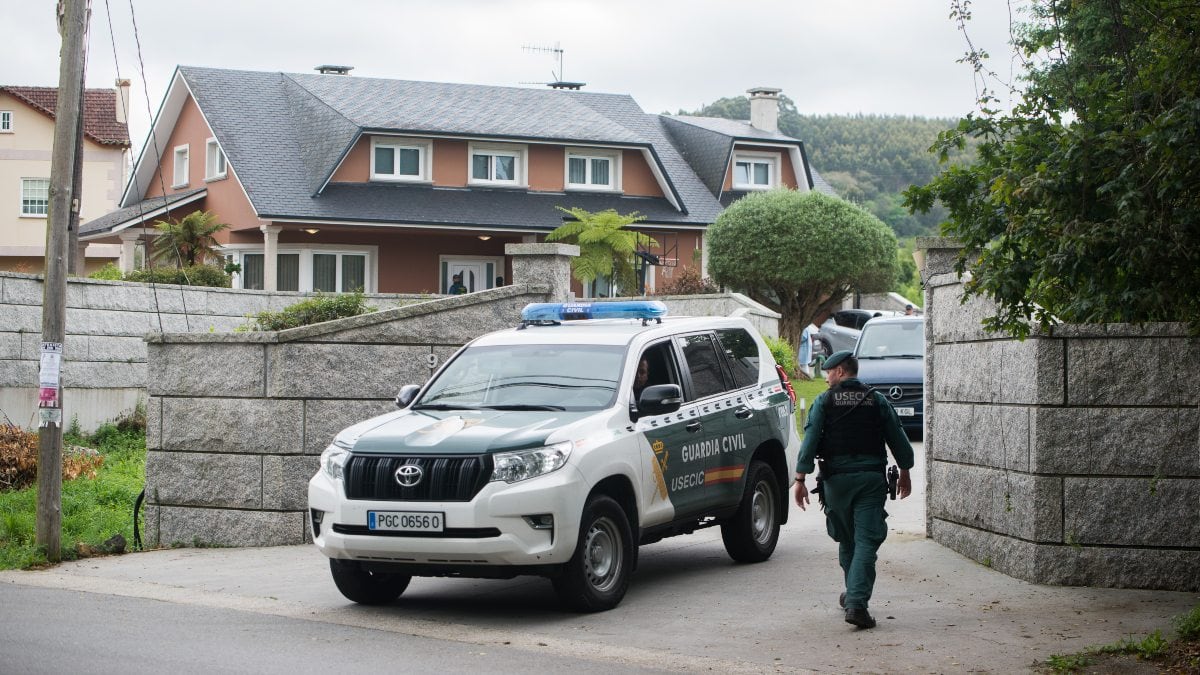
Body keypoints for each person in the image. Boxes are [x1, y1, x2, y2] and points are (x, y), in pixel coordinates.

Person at [793, 350, 914, 629]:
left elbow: (810, 441)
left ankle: (854, 596)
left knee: (849, 540)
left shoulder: (824, 401)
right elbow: (898, 437)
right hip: (870, 481)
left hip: (836, 482)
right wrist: (905, 471)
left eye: (828, 372)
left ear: (841, 371)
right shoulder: (877, 400)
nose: (825, 379)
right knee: (867, 541)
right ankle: (856, 601)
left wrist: (800, 480)